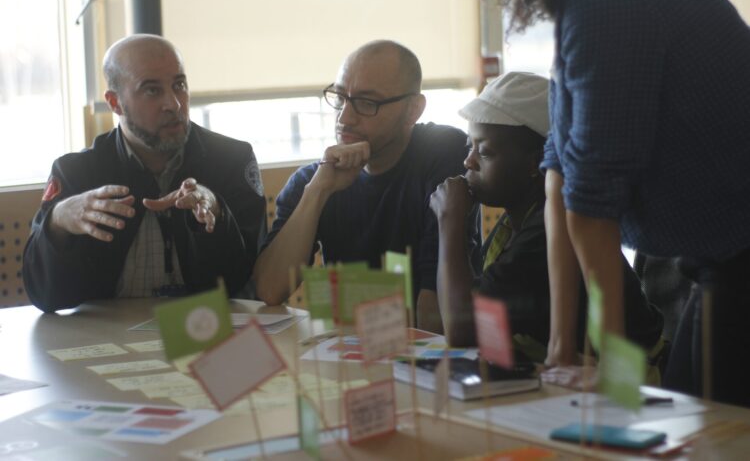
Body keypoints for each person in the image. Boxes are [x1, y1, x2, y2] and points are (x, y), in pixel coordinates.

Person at [474, 0, 750, 406]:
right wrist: (562, 350)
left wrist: (613, 366)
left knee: (717, 433)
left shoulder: (609, 1)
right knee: (691, 417)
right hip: (718, 257)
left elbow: (588, 203)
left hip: (738, 255)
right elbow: (559, 175)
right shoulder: (586, 2)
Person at [430, 72, 663, 368]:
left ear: (535, 163)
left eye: (484, 151)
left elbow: (461, 327)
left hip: (628, 389)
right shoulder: (514, 225)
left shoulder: (548, 233)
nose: (468, 162)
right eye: (469, 147)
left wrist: (450, 221)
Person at [23, 34, 267, 313]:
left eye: (180, 85)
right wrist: (58, 222)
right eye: (152, 90)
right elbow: (44, 296)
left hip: (207, 336)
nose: (174, 104)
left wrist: (216, 211)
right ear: (115, 103)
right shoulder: (77, 174)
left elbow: (251, 281)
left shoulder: (231, 161)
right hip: (108, 341)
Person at [254, 40, 480, 330]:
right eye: (340, 97)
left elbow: (434, 320)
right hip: (350, 356)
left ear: (413, 110)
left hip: (422, 362)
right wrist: (318, 191)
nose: (344, 118)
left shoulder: (444, 156)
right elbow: (270, 290)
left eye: (366, 103)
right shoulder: (314, 179)